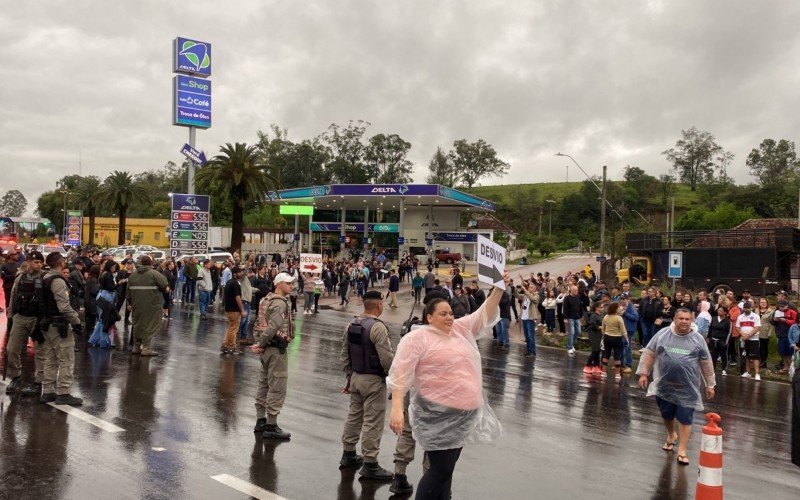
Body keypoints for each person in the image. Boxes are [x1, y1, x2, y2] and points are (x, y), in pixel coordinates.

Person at [387, 272, 507, 500]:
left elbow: (483, 315)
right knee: (440, 470)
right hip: (436, 415)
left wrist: (499, 289)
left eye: (451, 313)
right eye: (443, 314)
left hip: (464, 415)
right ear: (429, 317)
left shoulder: (460, 330)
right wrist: (396, 410)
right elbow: (400, 374)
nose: (449, 317)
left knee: (446, 470)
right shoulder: (417, 339)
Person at [637, 308, 716, 466]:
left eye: (687, 319)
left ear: (692, 320)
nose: (684, 322)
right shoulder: (663, 334)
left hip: (688, 388)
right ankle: (671, 434)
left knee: (685, 419)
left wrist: (710, 384)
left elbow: (706, 363)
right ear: (674, 319)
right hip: (665, 385)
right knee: (667, 415)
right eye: (681, 318)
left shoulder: (698, 339)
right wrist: (644, 373)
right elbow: (650, 353)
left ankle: (682, 449)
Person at [339, 290, 395, 479]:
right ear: (379, 305)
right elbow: (386, 359)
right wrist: (394, 379)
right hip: (373, 380)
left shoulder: (352, 324)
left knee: (354, 417)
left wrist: (349, 379)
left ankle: (348, 454)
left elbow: (344, 355)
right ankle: (370, 464)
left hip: (356, 377)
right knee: (373, 422)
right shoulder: (378, 327)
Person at [251, 272, 296, 440]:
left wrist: (259, 343)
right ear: (279, 285)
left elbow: (258, 323)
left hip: (266, 350)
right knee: (277, 386)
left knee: (263, 385)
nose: (292, 286)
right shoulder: (279, 303)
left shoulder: (266, 299)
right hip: (276, 349)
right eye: (288, 283)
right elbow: (274, 326)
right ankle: (271, 425)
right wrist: (261, 344)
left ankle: (260, 421)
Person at [38, 252, 84, 406]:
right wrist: (76, 321)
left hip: (48, 324)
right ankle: (63, 392)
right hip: (59, 325)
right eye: (63, 260)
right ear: (59, 262)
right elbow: (64, 306)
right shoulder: (57, 281)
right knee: (66, 359)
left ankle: (48, 391)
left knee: (51, 359)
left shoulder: (44, 277)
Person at [4, 251, 47, 396]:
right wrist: (10, 315)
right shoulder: (20, 278)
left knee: (40, 352)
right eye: (35, 262)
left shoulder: (45, 278)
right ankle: (16, 376)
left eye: (40, 262)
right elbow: (13, 296)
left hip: (37, 318)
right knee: (11, 349)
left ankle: (39, 382)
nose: (38, 264)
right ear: (28, 262)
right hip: (20, 316)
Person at [127, 256, 169, 356]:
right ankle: (146, 348)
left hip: (136, 304)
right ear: (150, 263)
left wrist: (129, 303)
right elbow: (164, 284)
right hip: (151, 304)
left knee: (137, 324)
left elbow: (128, 292)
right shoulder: (154, 274)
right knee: (149, 325)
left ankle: (136, 347)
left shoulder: (133, 275)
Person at [88, 260, 119, 348]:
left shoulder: (103, 273)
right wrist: (119, 283)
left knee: (102, 319)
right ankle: (104, 342)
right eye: (113, 266)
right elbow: (110, 288)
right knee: (105, 320)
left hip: (101, 296)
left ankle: (95, 340)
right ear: (110, 266)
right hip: (106, 297)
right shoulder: (108, 275)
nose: (114, 268)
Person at [222, 266, 247, 354]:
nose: (241, 274)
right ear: (235, 273)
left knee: (230, 328)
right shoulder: (235, 283)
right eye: (239, 272)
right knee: (233, 329)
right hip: (234, 310)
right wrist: (242, 310)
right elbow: (237, 297)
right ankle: (232, 347)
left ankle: (224, 345)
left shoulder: (229, 282)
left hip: (229, 309)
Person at [601, 302, 628, 381]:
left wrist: (604, 335)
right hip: (617, 338)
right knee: (617, 356)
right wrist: (627, 340)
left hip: (607, 337)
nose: (620, 308)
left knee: (606, 355)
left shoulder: (606, 317)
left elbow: (603, 328)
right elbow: (623, 331)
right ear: (615, 309)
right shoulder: (619, 318)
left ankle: (603, 372)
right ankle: (617, 374)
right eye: (618, 307)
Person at [736, 301, 761, 380]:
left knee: (755, 356)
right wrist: (743, 335)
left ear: (751, 308)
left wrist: (749, 335)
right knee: (746, 356)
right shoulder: (740, 317)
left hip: (753, 339)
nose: (747, 309)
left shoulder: (756, 316)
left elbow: (757, 327)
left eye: (748, 307)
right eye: (745, 307)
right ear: (743, 308)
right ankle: (748, 372)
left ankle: (757, 373)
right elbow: (737, 327)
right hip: (743, 339)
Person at [771, 300, 798, 375]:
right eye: (780, 306)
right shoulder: (776, 312)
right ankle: (786, 367)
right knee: (782, 353)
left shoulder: (792, 312)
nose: (781, 308)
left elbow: (796, 322)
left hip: (790, 336)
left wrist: (785, 320)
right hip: (780, 335)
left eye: (783, 306)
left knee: (790, 353)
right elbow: (772, 322)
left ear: (787, 306)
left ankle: (791, 368)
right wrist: (774, 320)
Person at [515, 280, 539, 357]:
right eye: (529, 287)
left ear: (535, 289)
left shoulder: (536, 295)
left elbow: (533, 299)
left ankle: (532, 352)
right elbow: (517, 296)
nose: (529, 288)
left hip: (530, 318)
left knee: (530, 336)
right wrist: (516, 289)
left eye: (531, 287)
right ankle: (529, 351)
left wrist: (525, 291)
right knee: (527, 336)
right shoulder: (525, 295)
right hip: (524, 318)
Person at [708, 304, 731, 376]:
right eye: (718, 310)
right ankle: (713, 369)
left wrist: (726, 342)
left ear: (725, 312)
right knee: (713, 355)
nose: (719, 311)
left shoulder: (727, 321)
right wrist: (709, 337)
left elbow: (729, 332)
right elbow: (710, 328)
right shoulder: (714, 318)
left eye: (721, 311)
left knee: (723, 355)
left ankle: (724, 369)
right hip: (713, 339)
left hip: (722, 340)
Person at [583, 302, 604, 375]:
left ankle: (596, 366)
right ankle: (587, 366)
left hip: (599, 335)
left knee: (598, 351)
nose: (602, 308)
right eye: (601, 307)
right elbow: (591, 324)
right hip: (594, 335)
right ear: (596, 308)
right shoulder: (593, 315)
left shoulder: (599, 315)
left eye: (602, 307)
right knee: (594, 350)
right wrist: (599, 327)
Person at [563, 285, 584, 356]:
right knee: (571, 332)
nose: (576, 292)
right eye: (575, 290)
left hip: (577, 317)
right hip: (570, 317)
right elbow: (565, 308)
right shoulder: (567, 298)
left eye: (577, 290)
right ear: (571, 291)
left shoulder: (578, 297)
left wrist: (581, 316)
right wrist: (565, 318)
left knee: (578, 331)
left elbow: (580, 307)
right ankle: (569, 347)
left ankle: (571, 344)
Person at [620, 294, 639, 373]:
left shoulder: (631, 307)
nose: (622, 300)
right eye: (621, 299)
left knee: (627, 348)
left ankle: (629, 365)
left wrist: (625, 314)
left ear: (627, 299)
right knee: (620, 347)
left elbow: (635, 318)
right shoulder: (621, 306)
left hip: (629, 330)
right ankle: (621, 365)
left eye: (624, 299)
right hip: (622, 329)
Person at [757, 297, 774, 369]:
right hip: (757, 332)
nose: (763, 304)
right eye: (761, 302)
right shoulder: (756, 310)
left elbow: (772, 323)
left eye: (764, 302)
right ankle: (759, 361)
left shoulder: (771, 311)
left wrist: (770, 333)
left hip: (765, 332)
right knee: (758, 347)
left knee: (764, 348)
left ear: (767, 303)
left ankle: (764, 362)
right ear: (759, 303)